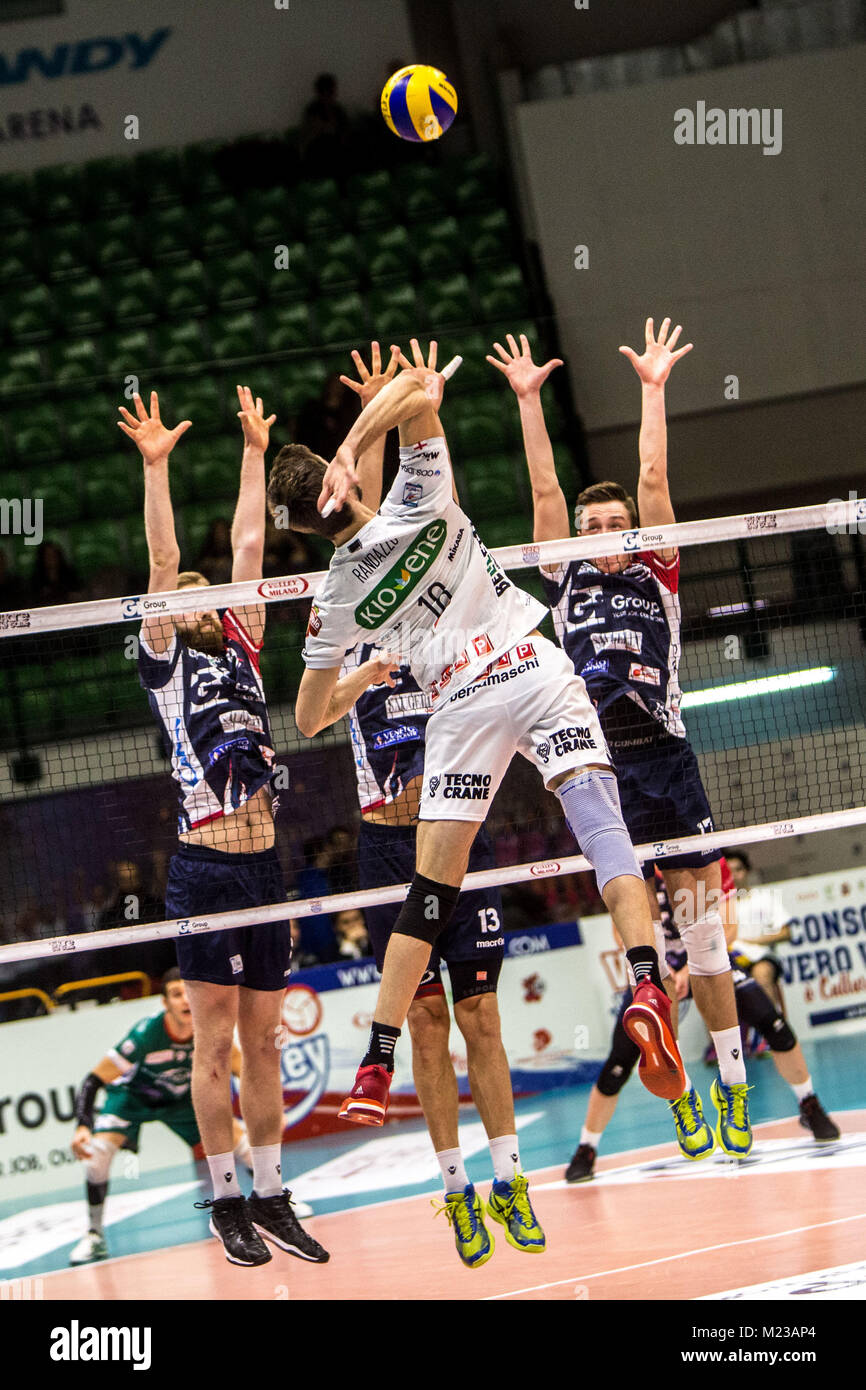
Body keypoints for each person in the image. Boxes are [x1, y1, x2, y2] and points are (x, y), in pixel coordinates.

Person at [267, 337, 685, 1256]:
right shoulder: (420, 496)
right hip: (532, 665)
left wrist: (358, 673)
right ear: (344, 484)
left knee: (432, 888)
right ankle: (648, 984)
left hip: (459, 709)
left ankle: (374, 1063)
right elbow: (420, 390)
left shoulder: (334, 594)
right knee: (601, 829)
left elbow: (303, 717)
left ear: (300, 528)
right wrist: (358, 431)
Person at [495, 323, 751, 1160]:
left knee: (705, 943)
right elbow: (541, 491)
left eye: (615, 521)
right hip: (600, 766)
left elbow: (651, 477)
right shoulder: (564, 576)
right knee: (644, 943)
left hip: (669, 758)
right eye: (590, 521)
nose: (604, 528)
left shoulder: (658, 571)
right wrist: (530, 403)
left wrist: (652, 389)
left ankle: (734, 1089)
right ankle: (670, 1073)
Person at [335, 343, 539, 1266]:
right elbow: (360, 521)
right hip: (389, 847)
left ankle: (510, 1180)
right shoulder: (344, 620)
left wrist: (401, 407)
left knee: (484, 1016)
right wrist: (378, 421)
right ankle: (455, 1191)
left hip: (456, 827)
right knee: (423, 1019)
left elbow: (398, 511)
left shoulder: (435, 596)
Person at [118, 384, 327, 1269]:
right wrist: (156, 468)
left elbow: (248, 544)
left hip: (264, 869)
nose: (203, 601)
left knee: (266, 1042)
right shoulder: (166, 667)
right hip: (204, 870)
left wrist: (253, 452)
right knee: (212, 1046)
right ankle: (226, 1201)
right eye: (192, 601)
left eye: (212, 598)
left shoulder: (240, 642)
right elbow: (165, 564)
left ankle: (273, 1191)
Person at [566, 865, 840, 1181]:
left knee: (773, 1023)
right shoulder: (634, 858)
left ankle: (809, 1104)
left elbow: (729, 928)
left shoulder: (700, 853)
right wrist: (664, 972)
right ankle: (586, 1148)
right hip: (656, 968)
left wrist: (687, 973)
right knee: (620, 1060)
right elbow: (622, 930)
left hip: (708, 961)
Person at [68, 970, 249, 1265]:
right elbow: (93, 1081)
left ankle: (270, 1202)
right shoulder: (145, 1034)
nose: (185, 1001)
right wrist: (82, 1126)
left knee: (244, 1141)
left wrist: (272, 1111)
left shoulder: (213, 1030)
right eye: (177, 994)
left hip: (183, 1100)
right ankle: (93, 1235)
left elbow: (247, 1073)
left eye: (189, 993)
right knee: (96, 1154)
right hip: (134, 1098)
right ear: (165, 1003)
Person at [726, 850, 791, 1015]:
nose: (734, 876)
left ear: (747, 871)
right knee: (715, 987)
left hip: (762, 956)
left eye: (738, 870)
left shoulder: (764, 898)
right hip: (732, 961)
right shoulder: (721, 905)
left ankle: (775, 1031)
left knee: (761, 975)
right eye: (729, 871)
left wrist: (755, 942)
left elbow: (786, 933)